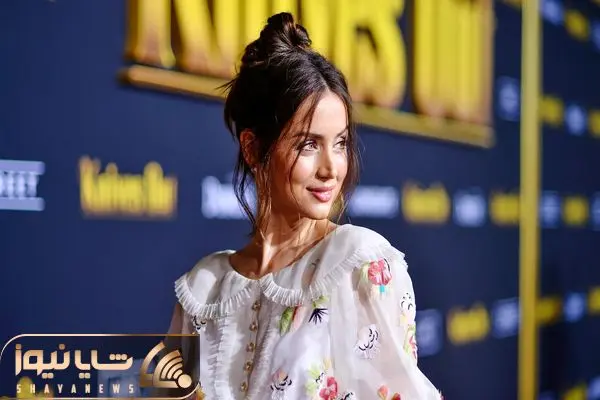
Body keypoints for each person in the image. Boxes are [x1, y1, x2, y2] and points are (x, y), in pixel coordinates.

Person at [166, 12, 442, 400]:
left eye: (340, 143)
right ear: (253, 149)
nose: (331, 169)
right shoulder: (203, 289)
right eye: (309, 144)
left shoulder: (360, 265)